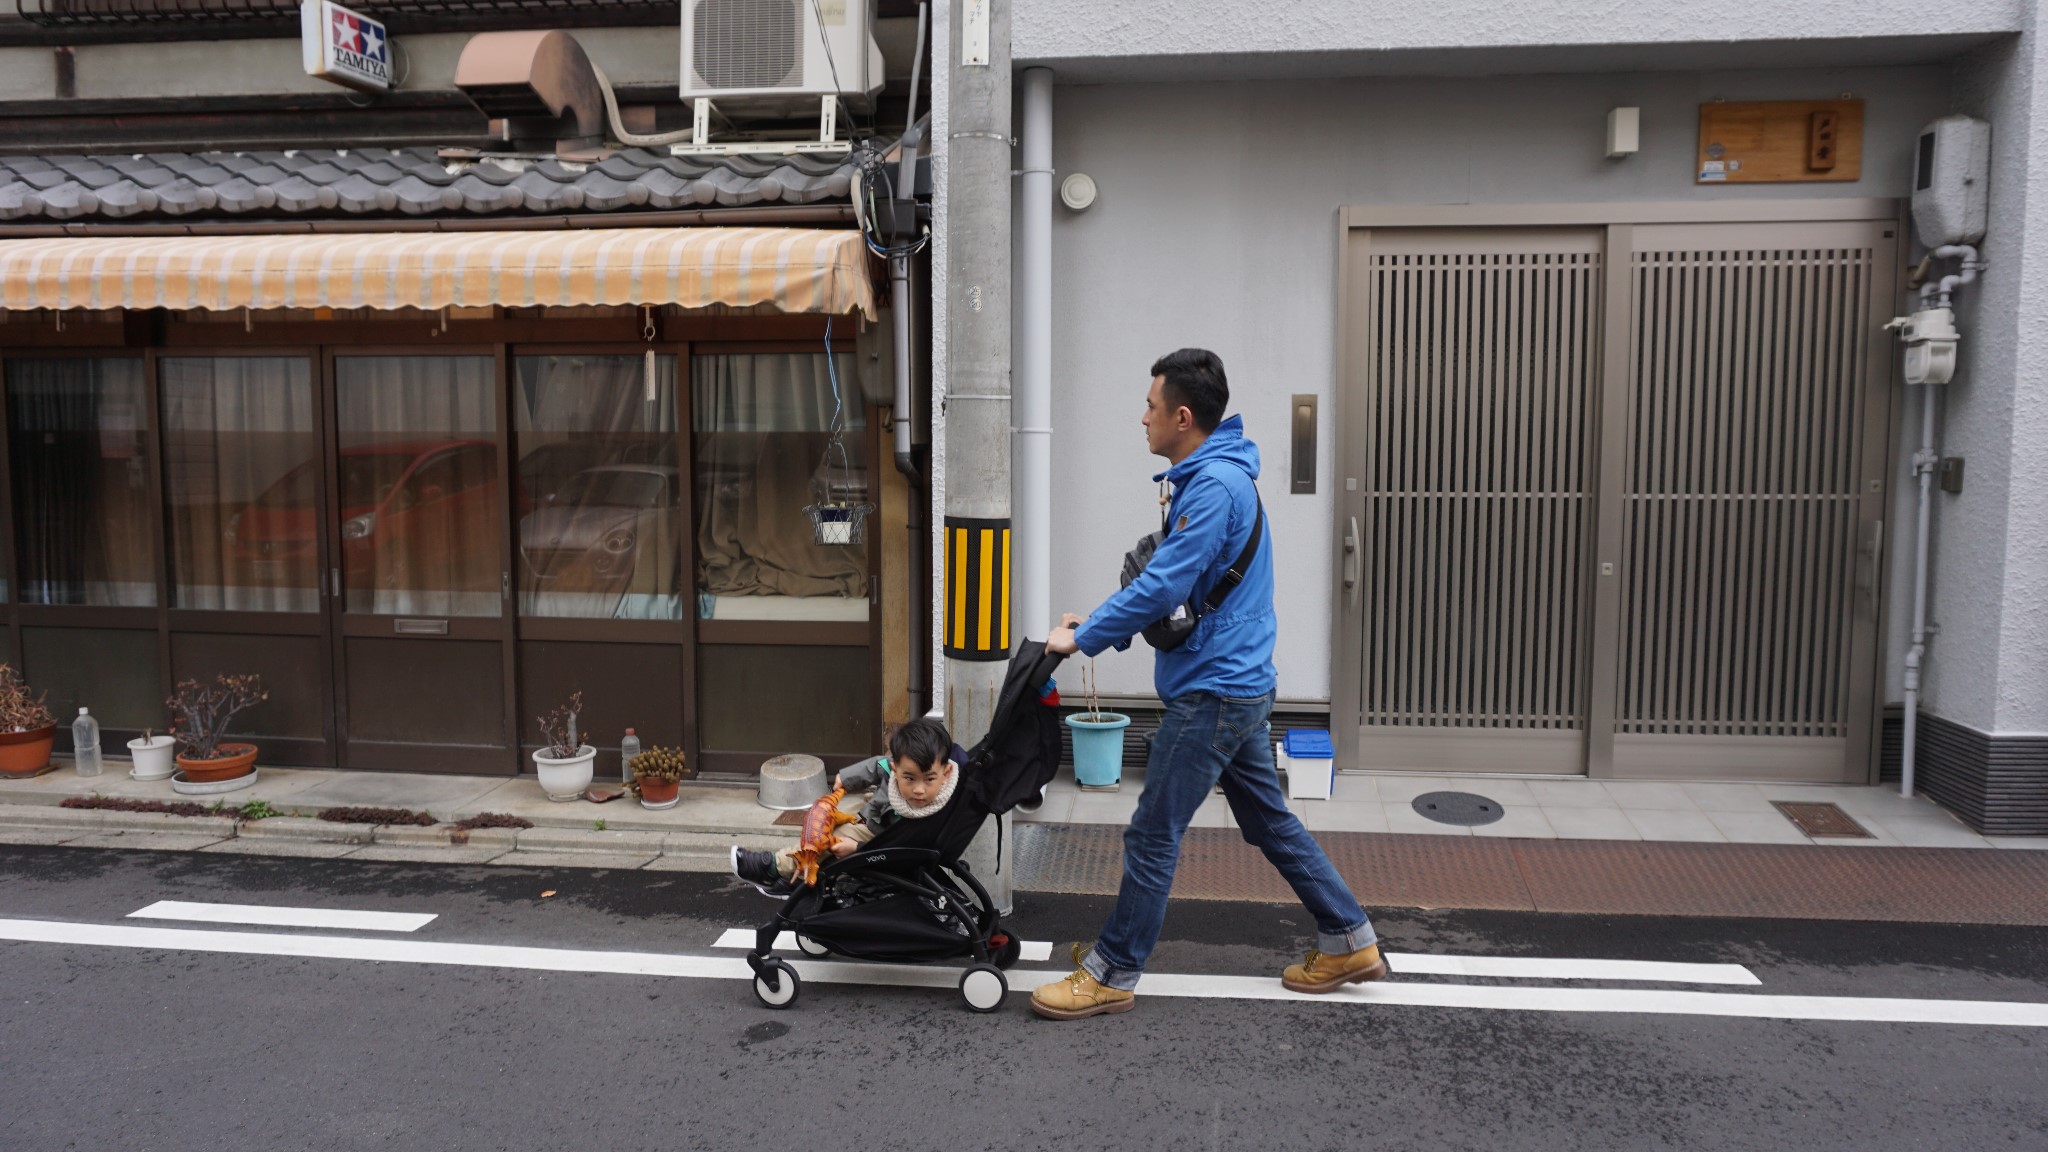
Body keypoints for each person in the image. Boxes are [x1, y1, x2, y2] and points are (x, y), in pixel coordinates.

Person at [1031, 348, 1387, 1021]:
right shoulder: (1210, 480)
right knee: (1268, 820)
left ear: (1183, 417)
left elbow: (1163, 585)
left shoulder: (1216, 487)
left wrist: (1083, 637)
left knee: (1152, 832)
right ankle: (1348, 938)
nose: (1143, 418)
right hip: (1237, 680)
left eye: (1151, 406)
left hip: (1215, 690)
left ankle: (1113, 969)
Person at [730, 717, 967, 896]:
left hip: (878, 840)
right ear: (896, 769)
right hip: (870, 818)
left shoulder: (937, 806)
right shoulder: (893, 770)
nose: (919, 790)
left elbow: (907, 850)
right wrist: (848, 777)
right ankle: (798, 879)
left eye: (929, 779)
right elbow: (876, 765)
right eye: (909, 778)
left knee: (824, 839)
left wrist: (858, 849)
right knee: (821, 821)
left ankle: (773, 866)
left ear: (945, 774)